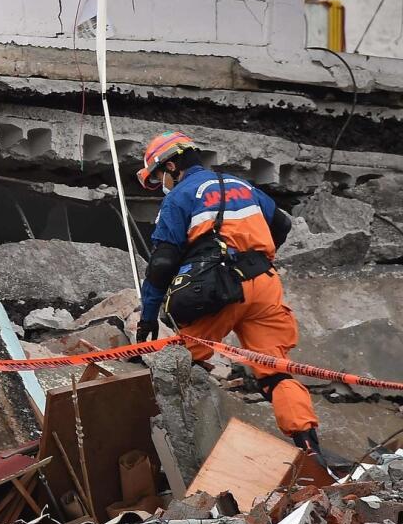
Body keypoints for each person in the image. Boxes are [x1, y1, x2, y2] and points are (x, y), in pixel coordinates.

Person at [135, 131, 322, 454]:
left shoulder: (179, 198)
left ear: (173, 166)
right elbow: (283, 225)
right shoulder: (241, 186)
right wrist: (252, 257)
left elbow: (162, 264)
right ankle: (310, 449)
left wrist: (147, 318)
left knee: (182, 362)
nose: (163, 182)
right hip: (264, 285)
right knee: (275, 371)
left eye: (160, 175)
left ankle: (174, 451)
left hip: (216, 291)